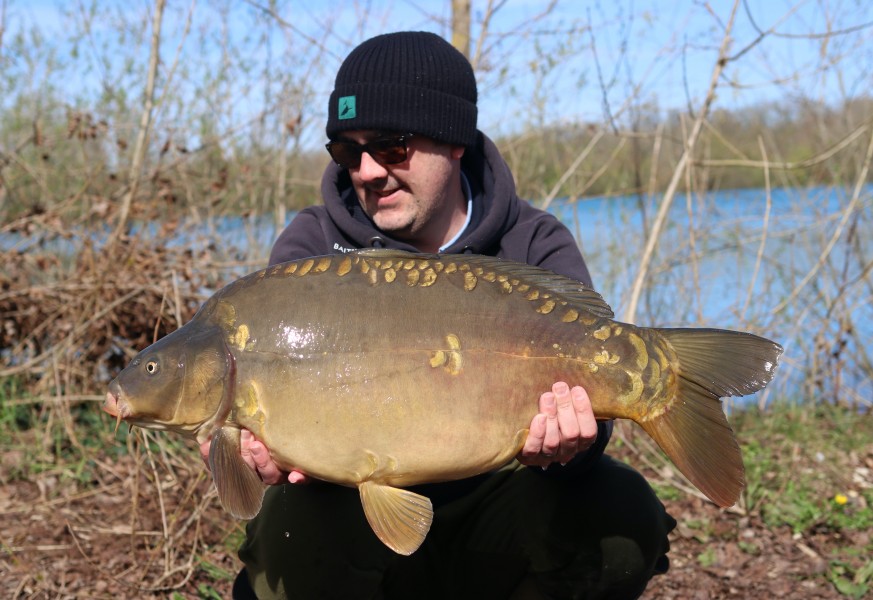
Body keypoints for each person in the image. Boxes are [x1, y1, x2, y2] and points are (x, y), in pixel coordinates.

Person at [204, 31, 675, 600]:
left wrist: (574, 444)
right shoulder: (313, 248)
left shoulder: (532, 242)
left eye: (393, 147)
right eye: (347, 152)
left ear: (455, 141)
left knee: (621, 514)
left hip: (500, 501)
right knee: (289, 531)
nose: (369, 171)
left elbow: (586, 432)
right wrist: (252, 452)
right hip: (353, 516)